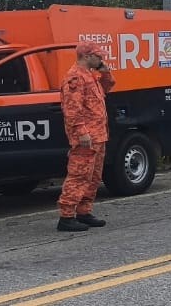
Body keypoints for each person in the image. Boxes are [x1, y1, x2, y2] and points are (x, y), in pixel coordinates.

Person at [57, 40, 116, 232]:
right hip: (86, 137)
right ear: (86, 56)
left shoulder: (90, 76)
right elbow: (72, 110)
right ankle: (66, 216)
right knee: (79, 175)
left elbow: (108, 87)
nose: (101, 58)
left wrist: (104, 70)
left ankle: (84, 212)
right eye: (98, 56)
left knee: (93, 177)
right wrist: (82, 132)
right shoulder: (74, 78)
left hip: (98, 135)